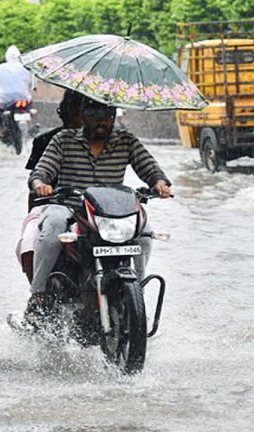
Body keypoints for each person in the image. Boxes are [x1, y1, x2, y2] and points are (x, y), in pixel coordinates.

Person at [25, 97, 172, 323]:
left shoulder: (127, 141)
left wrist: (160, 183)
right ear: (84, 117)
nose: (102, 123)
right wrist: (41, 186)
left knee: (144, 235)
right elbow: (40, 173)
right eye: (96, 118)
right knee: (53, 229)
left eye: (107, 118)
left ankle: (137, 293)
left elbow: (150, 169)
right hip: (70, 205)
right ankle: (38, 293)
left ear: (113, 118)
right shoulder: (63, 140)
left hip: (113, 210)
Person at [15, 90, 84, 283]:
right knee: (30, 242)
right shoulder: (46, 141)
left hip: (93, 205)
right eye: (75, 111)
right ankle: (38, 292)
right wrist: (32, 214)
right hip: (50, 203)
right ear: (64, 112)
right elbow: (36, 179)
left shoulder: (108, 141)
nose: (79, 117)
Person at [0, 45, 33, 137]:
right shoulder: (26, 67)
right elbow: (33, 85)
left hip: (5, 99)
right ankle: (31, 125)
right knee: (30, 107)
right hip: (24, 98)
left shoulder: (0, 68)